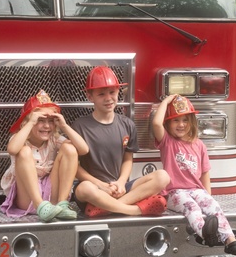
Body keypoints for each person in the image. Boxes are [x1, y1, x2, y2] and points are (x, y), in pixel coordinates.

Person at [151, 93, 236, 256]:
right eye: (175, 120)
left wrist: (208, 196)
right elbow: (155, 123)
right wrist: (166, 101)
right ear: (168, 123)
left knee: (214, 207)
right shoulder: (167, 142)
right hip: (175, 192)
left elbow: (205, 173)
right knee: (192, 207)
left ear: (192, 122)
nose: (181, 124)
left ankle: (230, 241)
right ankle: (206, 234)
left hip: (196, 190)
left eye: (185, 120)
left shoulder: (199, 145)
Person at [72, 66, 169, 217]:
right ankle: (133, 210)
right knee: (84, 188)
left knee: (163, 176)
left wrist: (121, 182)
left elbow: (127, 160)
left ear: (119, 92)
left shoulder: (127, 124)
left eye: (112, 92)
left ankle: (107, 208)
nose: (108, 98)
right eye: (101, 94)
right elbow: (75, 167)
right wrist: (101, 186)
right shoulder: (80, 125)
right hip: (95, 189)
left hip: (120, 187)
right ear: (90, 97)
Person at [0, 89, 89, 222]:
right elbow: (12, 149)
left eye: (51, 120)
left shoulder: (54, 139)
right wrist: (31, 122)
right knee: (23, 152)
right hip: (28, 198)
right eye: (40, 120)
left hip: (50, 197)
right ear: (27, 122)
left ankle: (62, 204)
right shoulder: (21, 139)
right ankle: (40, 206)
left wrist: (64, 126)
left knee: (70, 149)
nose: (46, 126)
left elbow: (83, 149)